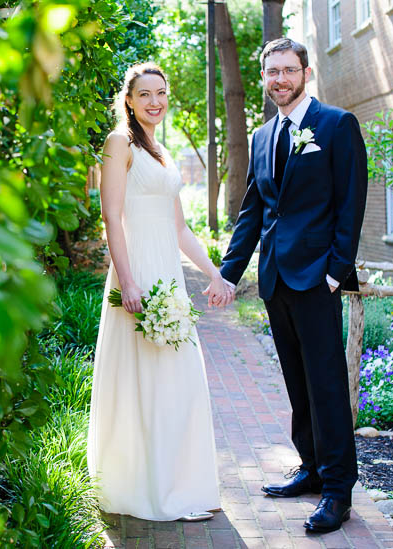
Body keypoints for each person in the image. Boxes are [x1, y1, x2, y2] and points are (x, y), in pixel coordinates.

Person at [220, 38, 368, 534]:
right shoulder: (263, 137)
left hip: (316, 280)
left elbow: (351, 203)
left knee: (326, 386)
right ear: (263, 79)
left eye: (288, 70)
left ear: (305, 73)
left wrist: (334, 271)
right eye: (271, 73)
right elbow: (254, 211)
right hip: (275, 280)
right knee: (298, 384)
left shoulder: (336, 125)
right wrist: (228, 272)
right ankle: (310, 468)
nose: (279, 79)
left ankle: (337, 491)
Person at [86, 62, 232, 522]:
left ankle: (179, 486)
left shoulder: (163, 152)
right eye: (145, 94)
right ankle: (147, 488)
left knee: (178, 378)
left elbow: (181, 229)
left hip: (167, 275)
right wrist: (127, 281)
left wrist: (215, 273)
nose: (155, 101)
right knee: (144, 379)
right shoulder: (119, 144)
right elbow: (111, 216)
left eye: (161, 93)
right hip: (138, 273)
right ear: (128, 100)